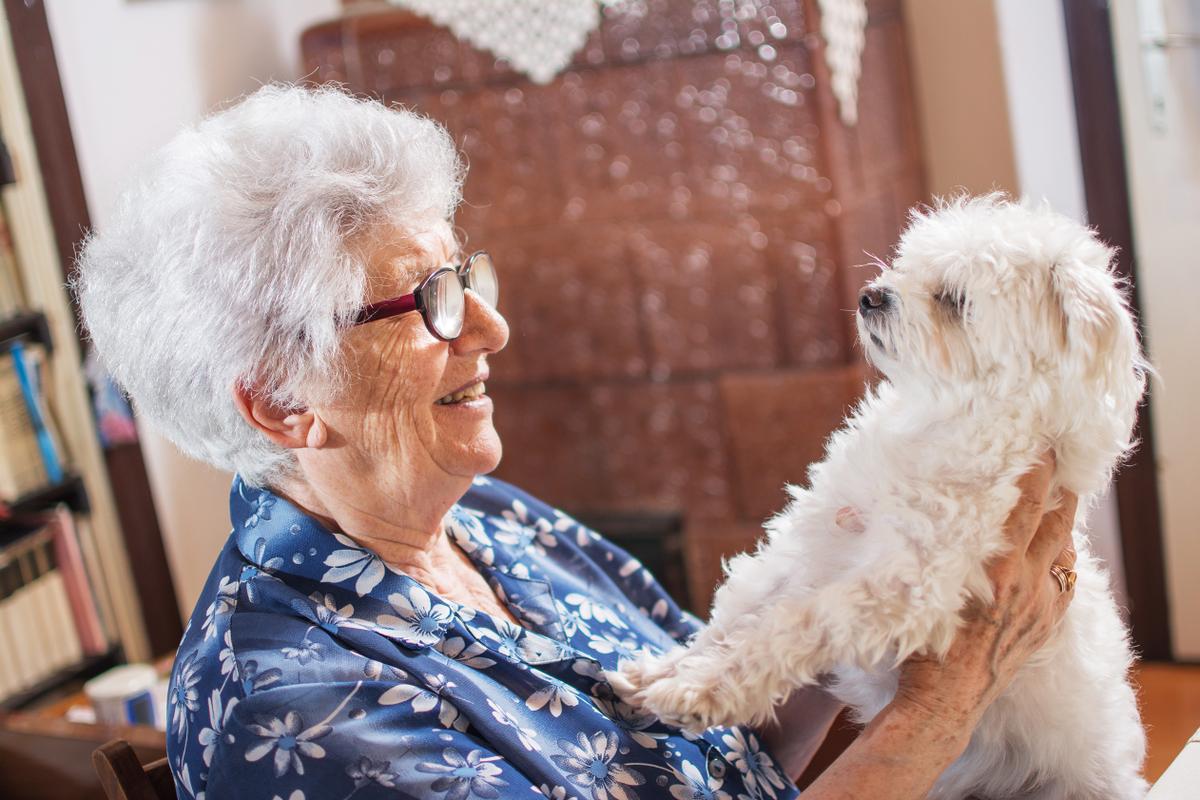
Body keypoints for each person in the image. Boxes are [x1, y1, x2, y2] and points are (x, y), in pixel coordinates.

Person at [75, 83, 1077, 800]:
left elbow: (725, 741)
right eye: (427, 301)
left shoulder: (486, 519)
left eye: (467, 274)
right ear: (286, 406)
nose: (490, 327)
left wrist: (869, 595)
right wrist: (942, 700)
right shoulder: (299, 710)